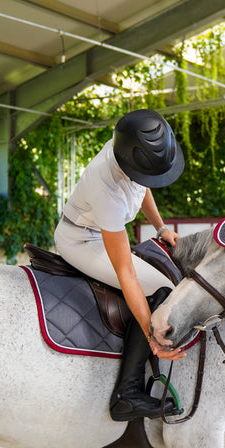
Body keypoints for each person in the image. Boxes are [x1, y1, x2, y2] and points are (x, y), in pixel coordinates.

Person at [54, 109, 186, 421]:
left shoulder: (127, 148)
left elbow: (143, 186)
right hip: (82, 241)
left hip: (102, 232)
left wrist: (161, 228)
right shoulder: (106, 185)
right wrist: (152, 335)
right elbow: (125, 273)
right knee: (162, 290)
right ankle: (127, 394)